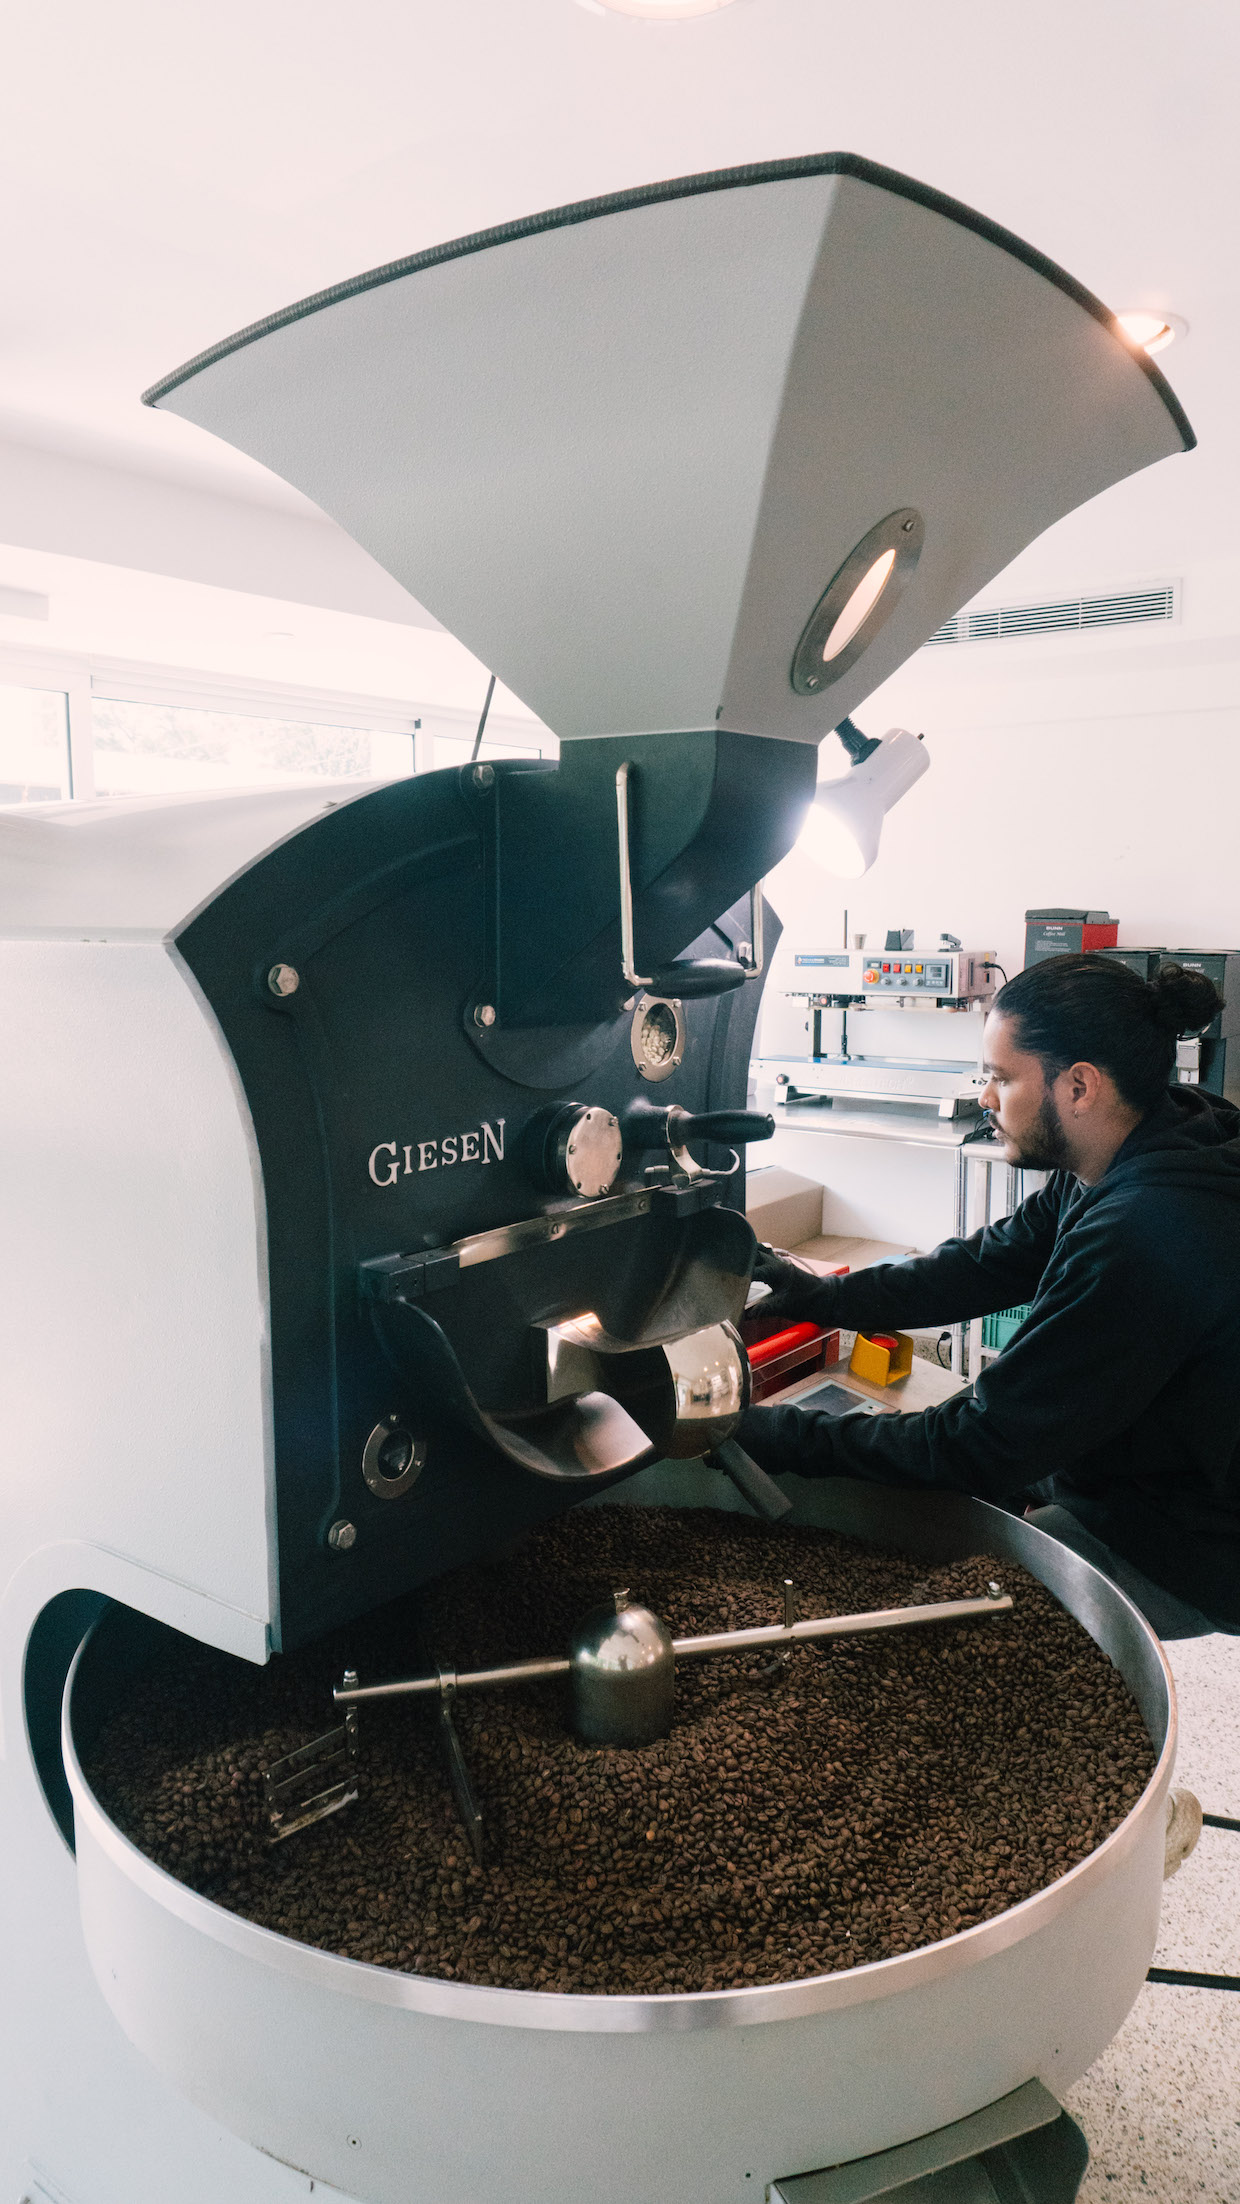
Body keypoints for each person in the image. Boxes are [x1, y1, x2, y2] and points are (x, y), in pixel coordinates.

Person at [740, 953, 1240, 1638]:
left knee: (940, 1626)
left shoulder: (1147, 1230)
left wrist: (766, 1433)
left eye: (1001, 1078)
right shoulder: (1146, 1137)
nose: (984, 1097)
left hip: (1187, 1540)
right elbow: (982, 1265)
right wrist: (820, 1296)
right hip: (1140, 1453)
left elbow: (981, 1444)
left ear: (1080, 1087)